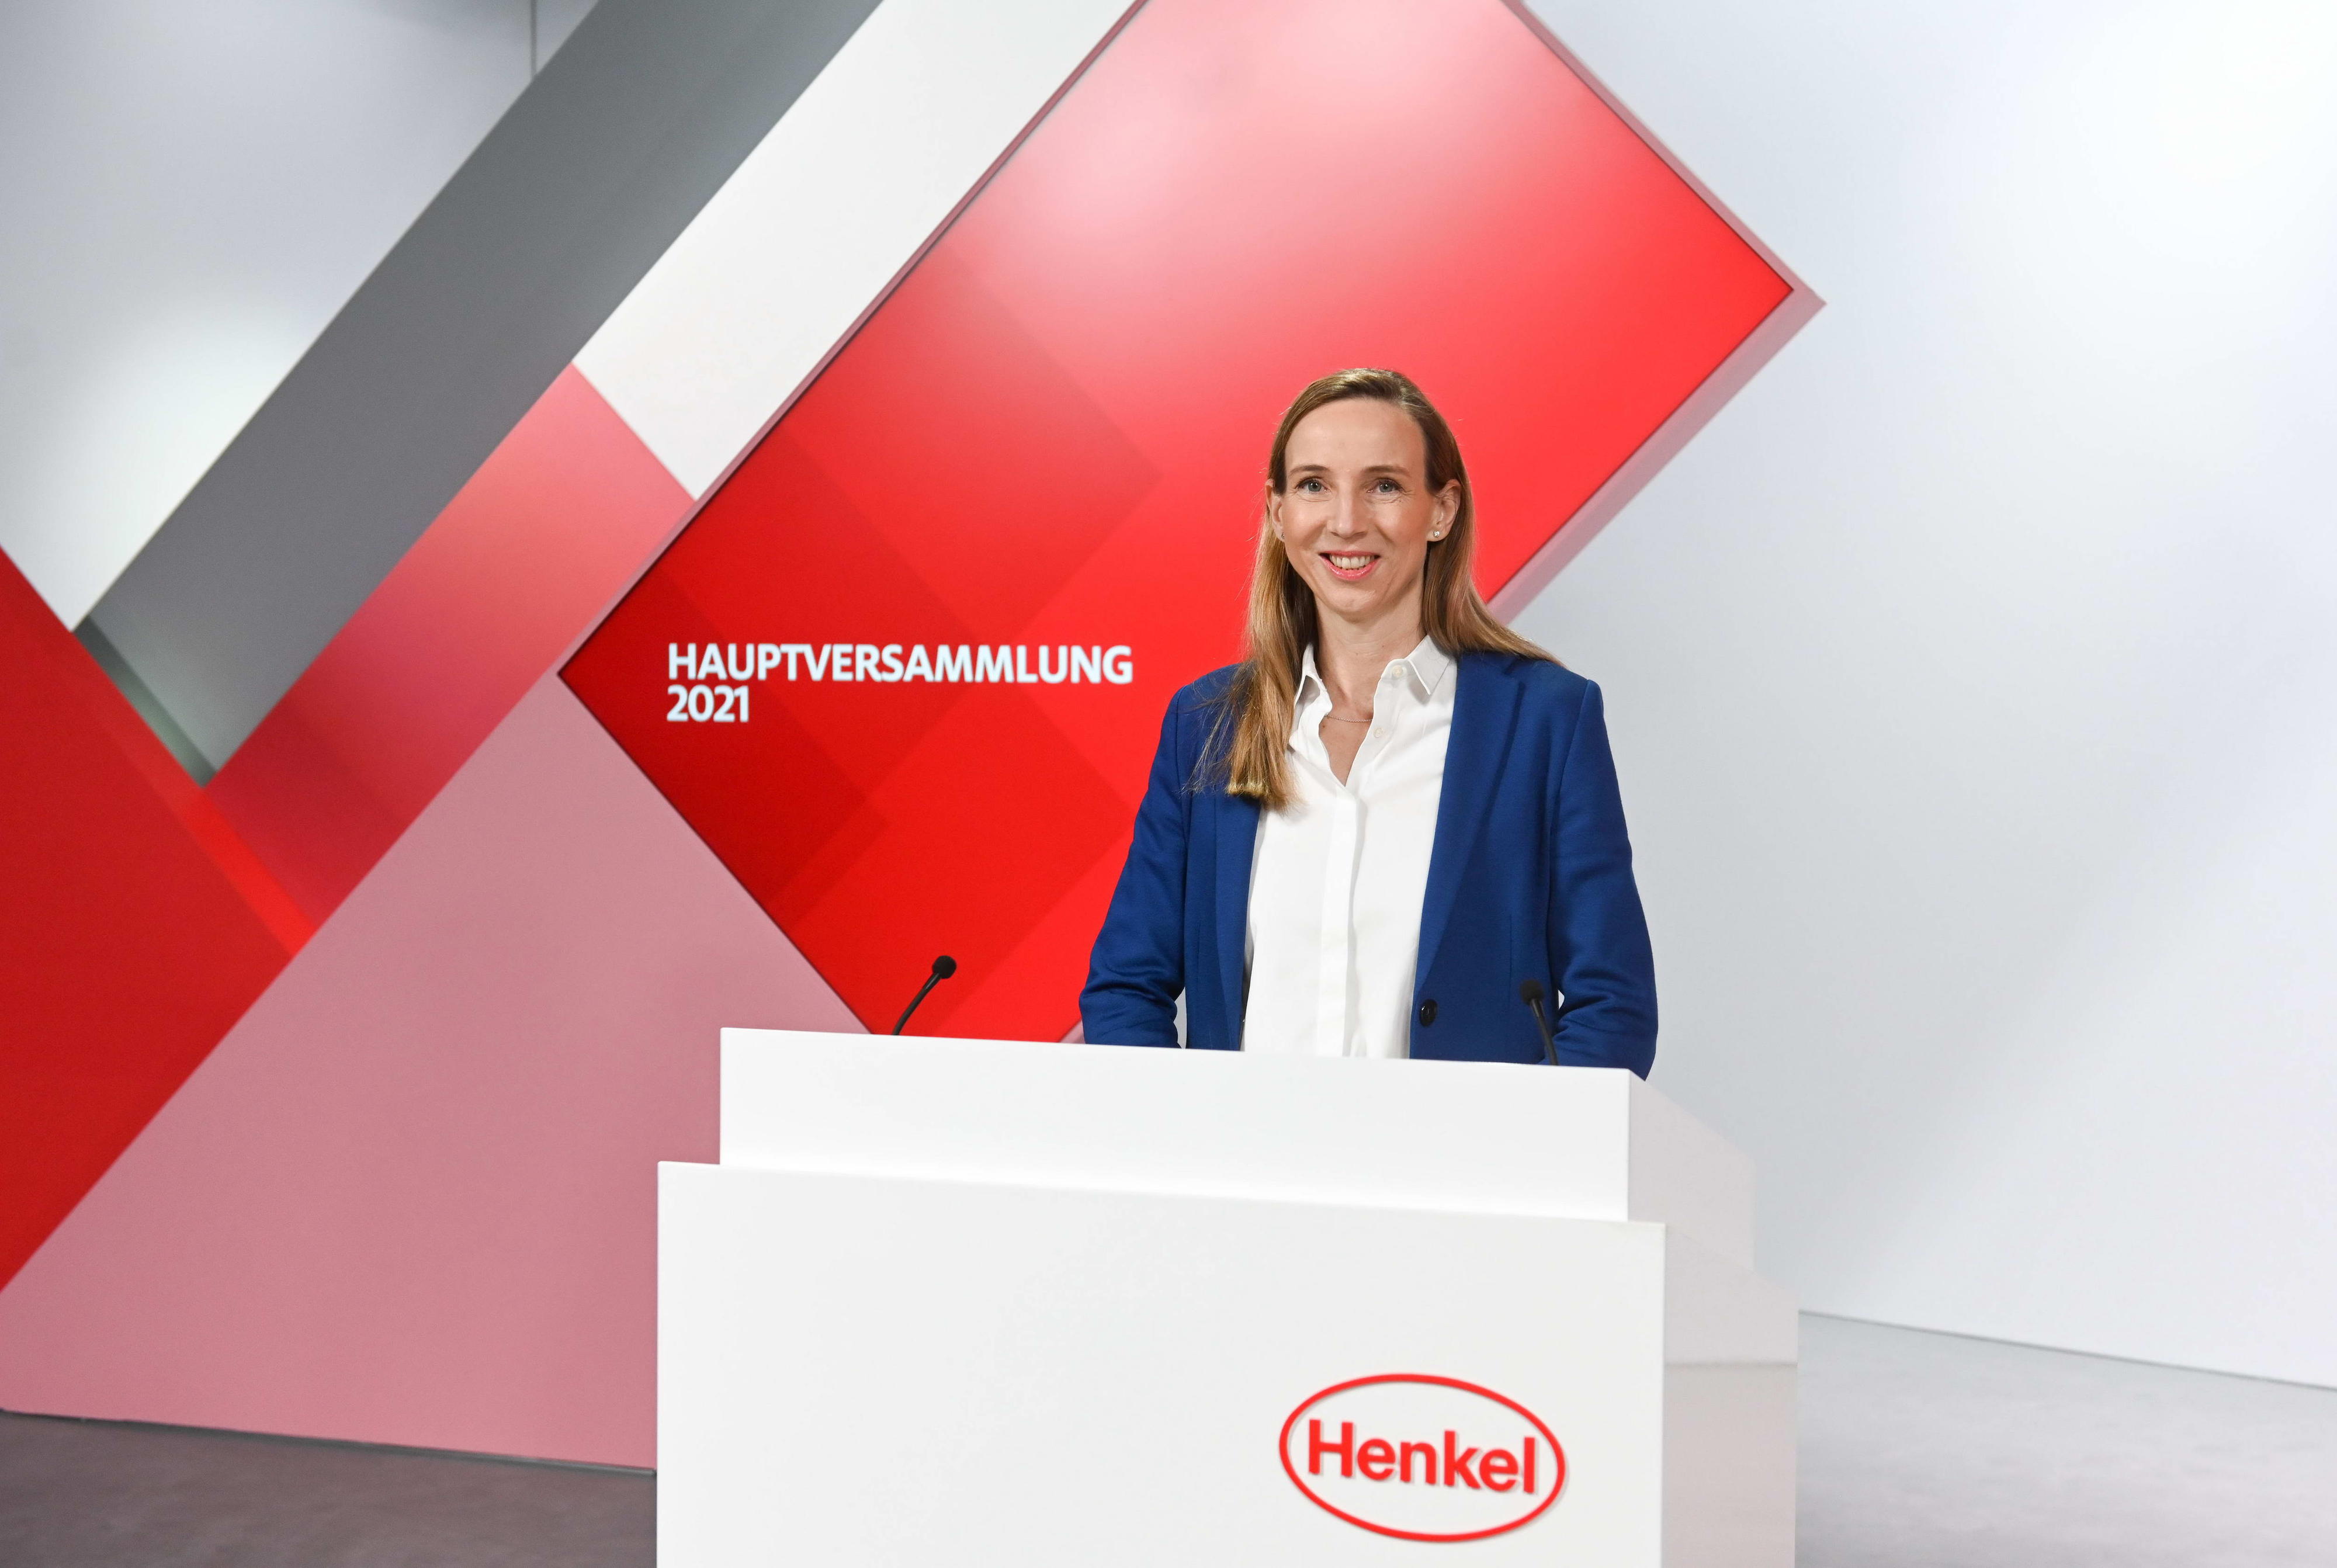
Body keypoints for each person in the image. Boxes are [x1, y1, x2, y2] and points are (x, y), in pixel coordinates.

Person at [1080, 368, 1656, 1072]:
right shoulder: (1207, 725)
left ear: (1441, 510)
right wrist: (1181, 1131)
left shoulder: (1543, 721)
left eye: (1383, 485)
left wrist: (1513, 1142)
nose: (1347, 521)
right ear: (1278, 512)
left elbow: (1613, 1006)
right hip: (1246, 1145)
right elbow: (1125, 989)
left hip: (1456, 1145)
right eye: (1313, 485)